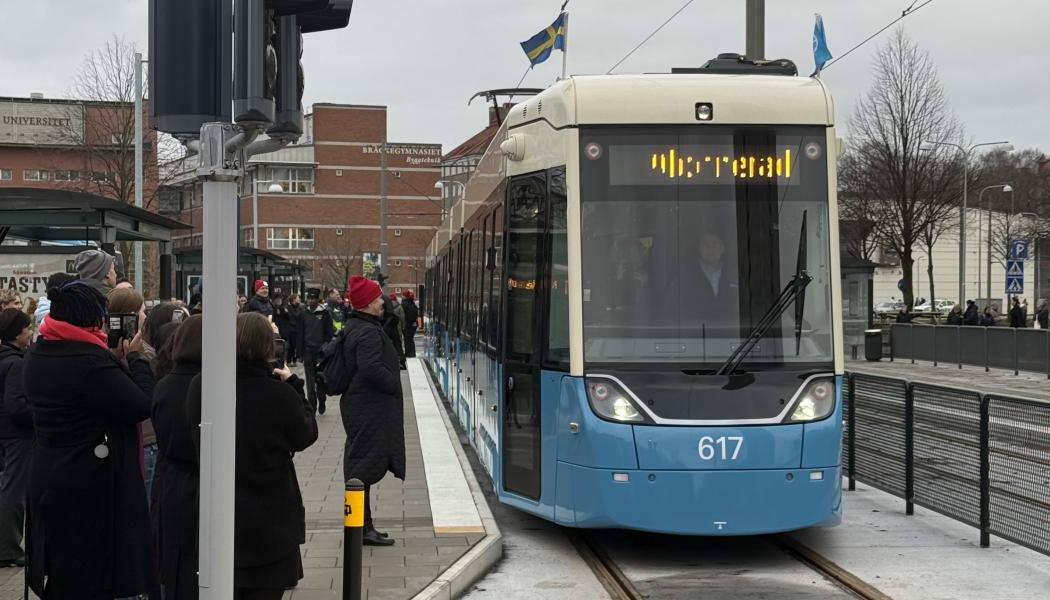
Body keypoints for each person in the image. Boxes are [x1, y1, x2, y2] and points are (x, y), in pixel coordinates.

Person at [23, 281, 158, 598]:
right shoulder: (87, 361)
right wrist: (136, 359)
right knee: (91, 573)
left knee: (66, 569)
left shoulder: (40, 351)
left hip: (52, 477)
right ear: (90, 320)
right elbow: (141, 404)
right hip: (90, 486)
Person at [188, 312, 317, 598]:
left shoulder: (202, 386)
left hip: (220, 523)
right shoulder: (279, 394)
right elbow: (306, 434)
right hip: (271, 528)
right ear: (267, 347)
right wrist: (295, 385)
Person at [341, 276, 405, 547]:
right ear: (367, 303)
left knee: (360, 466)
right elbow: (370, 367)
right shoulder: (366, 332)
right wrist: (393, 382)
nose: (382, 303)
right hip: (368, 407)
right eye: (378, 298)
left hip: (361, 405)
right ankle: (360, 528)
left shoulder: (358, 326)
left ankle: (361, 525)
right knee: (361, 469)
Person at [152, 314, 203, 599]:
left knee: (175, 560)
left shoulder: (164, 385)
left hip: (171, 482)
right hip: (199, 482)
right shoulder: (210, 386)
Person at [0, 309, 34, 567]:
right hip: (17, 435)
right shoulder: (16, 363)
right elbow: (16, 405)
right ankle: (9, 548)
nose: (31, 332)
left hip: (7, 433)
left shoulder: (6, 358)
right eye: (27, 329)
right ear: (17, 332)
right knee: (14, 490)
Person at [298, 288, 335, 414]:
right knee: (310, 381)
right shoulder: (303, 314)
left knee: (320, 379)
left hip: (321, 352)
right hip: (308, 351)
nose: (310, 301)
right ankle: (312, 406)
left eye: (312, 298)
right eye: (308, 298)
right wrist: (300, 353)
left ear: (317, 299)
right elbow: (300, 334)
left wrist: (326, 349)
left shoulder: (325, 314)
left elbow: (329, 333)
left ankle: (322, 399)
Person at [385, 294, 406, 370]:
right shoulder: (399, 307)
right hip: (398, 328)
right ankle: (399, 359)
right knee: (398, 342)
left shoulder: (387, 306)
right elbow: (402, 318)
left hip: (388, 327)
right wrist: (403, 326)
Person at [285, 293, 303, 366]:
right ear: (293, 300)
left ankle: (295, 360)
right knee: (292, 346)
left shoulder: (300, 307)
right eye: (297, 298)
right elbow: (293, 316)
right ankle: (289, 360)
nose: (299, 299)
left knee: (297, 345)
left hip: (298, 329)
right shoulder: (289, 308)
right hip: (292, 329)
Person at [401, 290, 419, 358]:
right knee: (410, 339)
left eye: (403, 295)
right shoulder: (411, 303)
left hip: (408, 325)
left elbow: (406, 315)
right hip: (412, 324)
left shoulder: (405, 304)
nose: (402, 296)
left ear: (405, 296)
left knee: (407, 339)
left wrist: (406, 323)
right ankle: (411, 353)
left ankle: (408, 353)